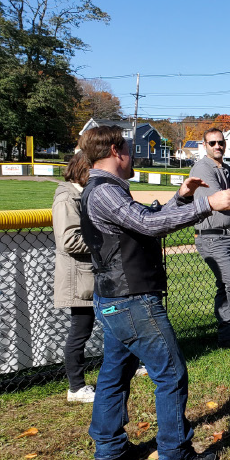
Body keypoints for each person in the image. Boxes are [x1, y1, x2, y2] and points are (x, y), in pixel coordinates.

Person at [80, 126, 230, 460]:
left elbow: (145, 219)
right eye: (128, 147)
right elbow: (150, 226)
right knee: (170, 374)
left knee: (115, 373)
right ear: (115, 151)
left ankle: (110, 450)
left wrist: (181, 198)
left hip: (119, 300)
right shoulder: (104, 191)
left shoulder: (105, 188)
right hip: (131, 301)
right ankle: (175, 452)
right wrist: (207, 203)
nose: (132, 153)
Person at [190, 128, 230, 350]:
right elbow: (222, 199)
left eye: (221, 142)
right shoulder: (202, 168)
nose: (218, 146)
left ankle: (226, 338)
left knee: (225, 286)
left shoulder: (228, 169)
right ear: (205, 145)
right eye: (212, 143)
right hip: (211, 238)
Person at [53, 151, 96, 403]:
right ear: (83, 169)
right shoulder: (66, 197)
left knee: (116, 325)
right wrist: (106, 243)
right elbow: (69, 241)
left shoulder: (82, 194)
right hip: (78, 278)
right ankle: (76, 388)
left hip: (91, 275)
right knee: (80, 331)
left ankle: (130, 365)